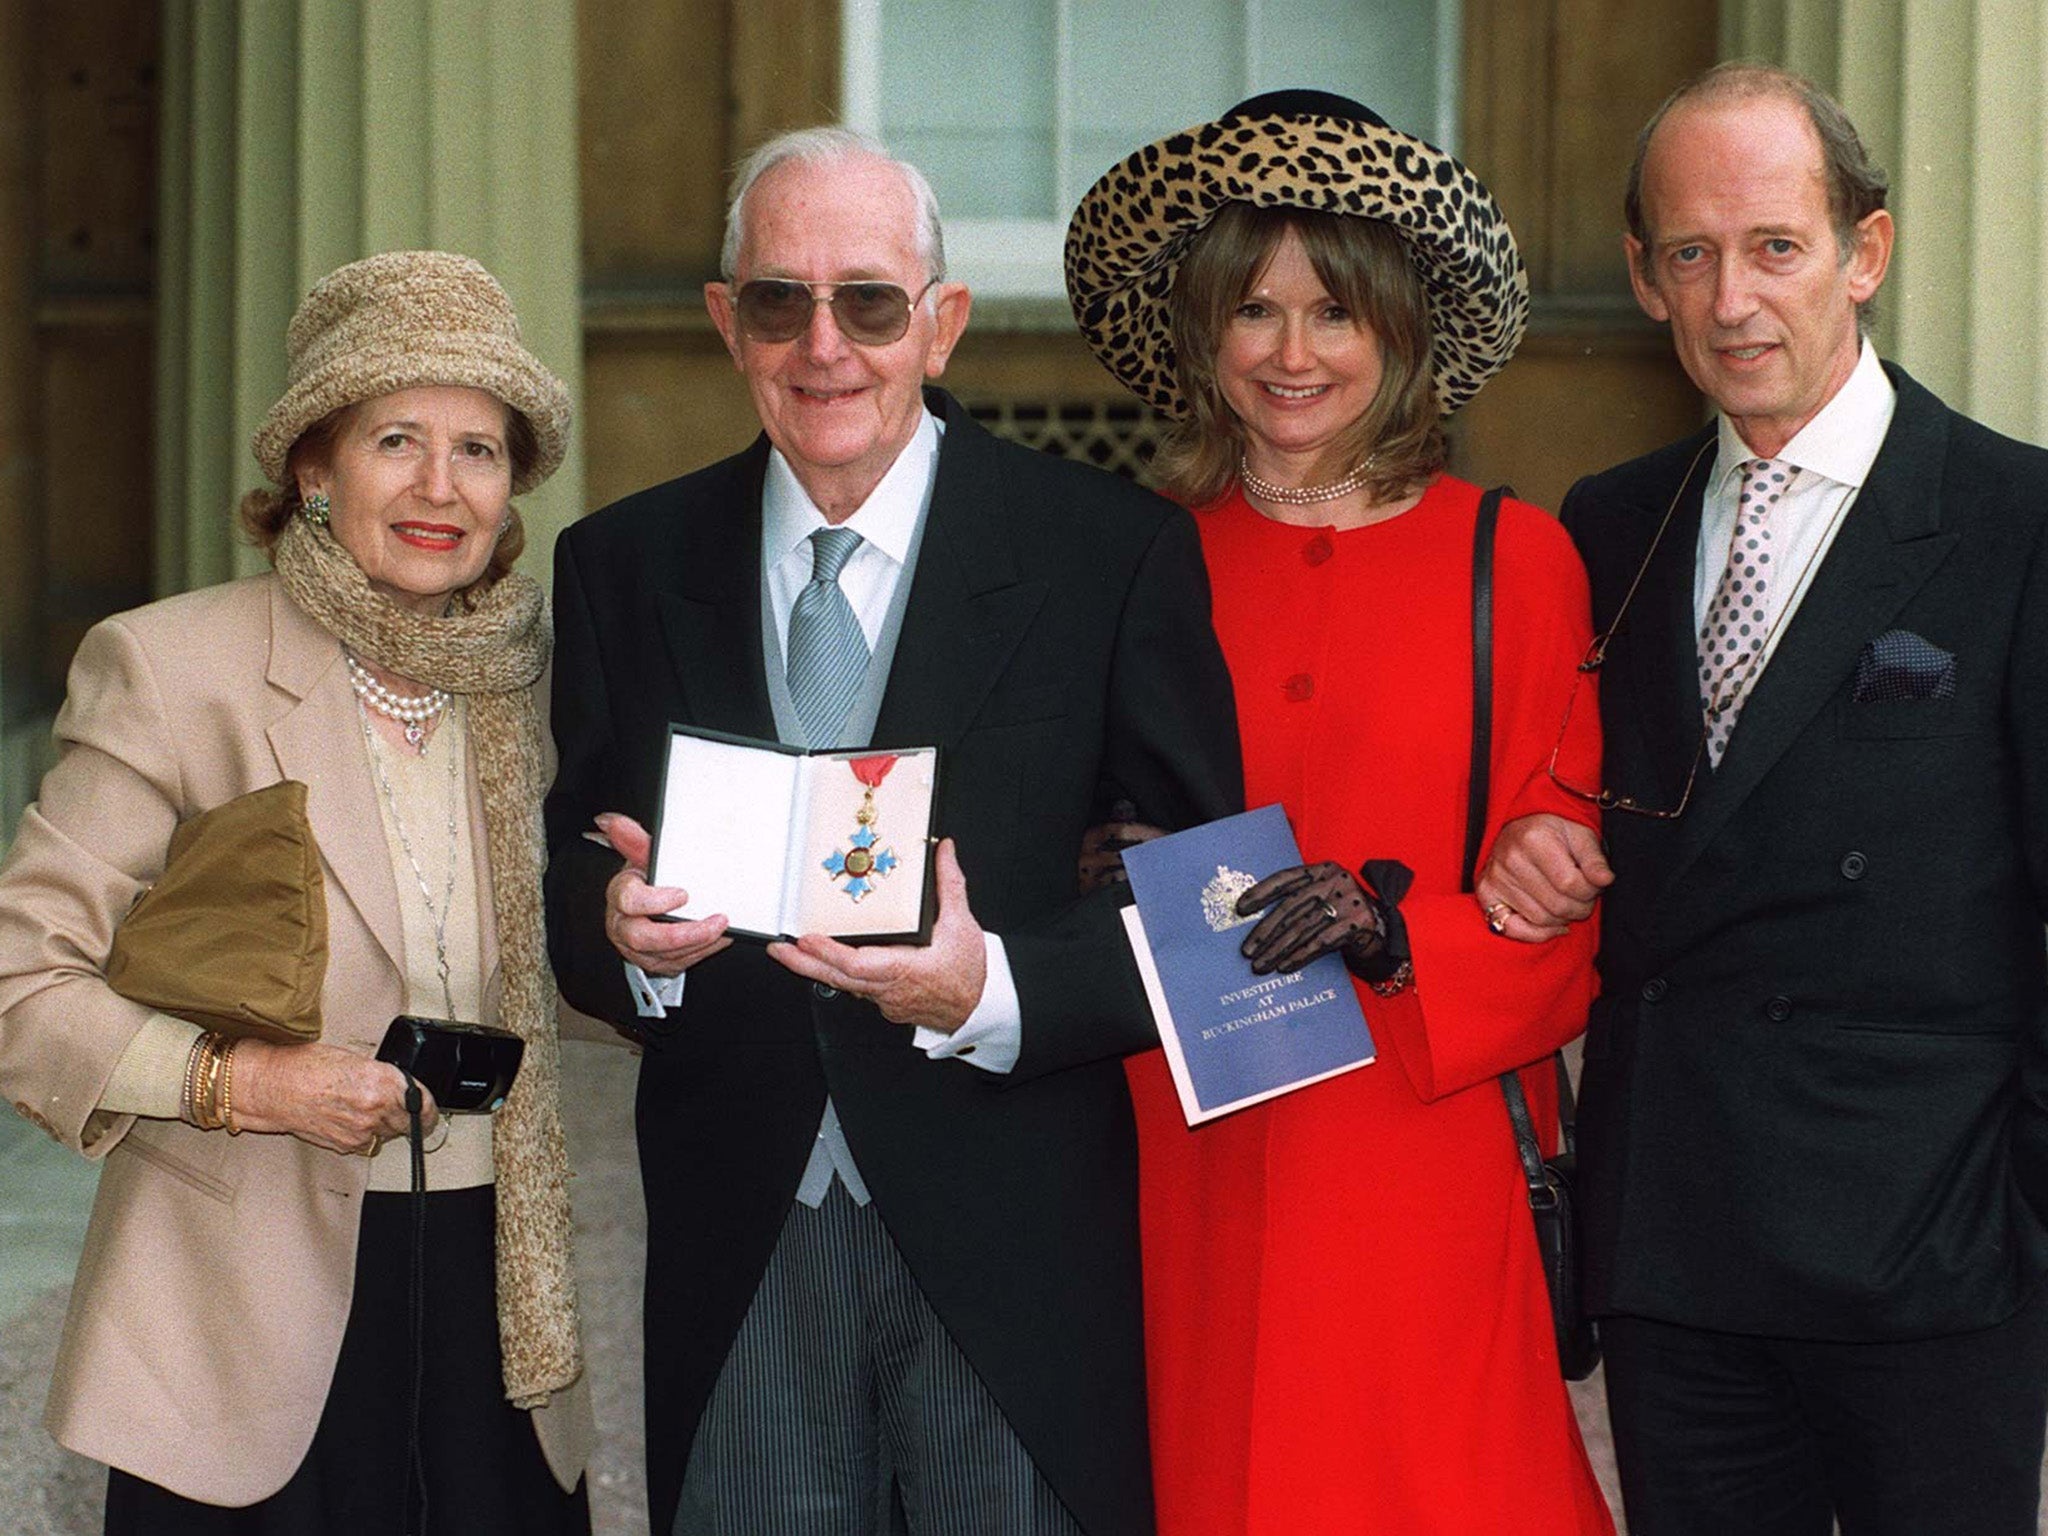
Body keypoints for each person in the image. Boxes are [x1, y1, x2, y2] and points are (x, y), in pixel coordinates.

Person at [541, 127, 1241, 1536]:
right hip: (744, 1238)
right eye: (780, 302)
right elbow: (570, 865)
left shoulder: (1110, 555)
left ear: (941, 322)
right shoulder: (621, 563)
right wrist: (623, 938)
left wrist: (994, 990)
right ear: (726, 323)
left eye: (868, 300)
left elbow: (1210, 906)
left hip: (1014, 1240)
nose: (825, 346)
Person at [1479, 62, 2048, 1536]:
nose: (1733, 299)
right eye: (1691, 254)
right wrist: (1535, 831)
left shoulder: (2020, 523)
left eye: (1775, 247)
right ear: (1644, 279)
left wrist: (2018, 1229)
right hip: (1681, 1246)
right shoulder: (1607, 521)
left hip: (1935, 1254)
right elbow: (1560, 794)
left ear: (1867, 252)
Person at [1064, 90, 1614, 1534]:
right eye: (1254, 311)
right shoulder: (1132, 561)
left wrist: (1397, 931)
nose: (1293, 355)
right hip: (1192, 1154)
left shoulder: (1520, 560)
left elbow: (1567, 896)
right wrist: (1088, 860)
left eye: (1334, 314)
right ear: (1201, 334)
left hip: (1426, 1150)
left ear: (1403, 332)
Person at [0, 250, 593, 1533]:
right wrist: (243, 1082)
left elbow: (572, 970)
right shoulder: (172, 668)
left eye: (480, 449)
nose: (442, 487)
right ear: (314, 473)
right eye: (396, 439)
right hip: (238, 1313)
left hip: (498, 1297)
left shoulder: (534, 687)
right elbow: (24, 987)